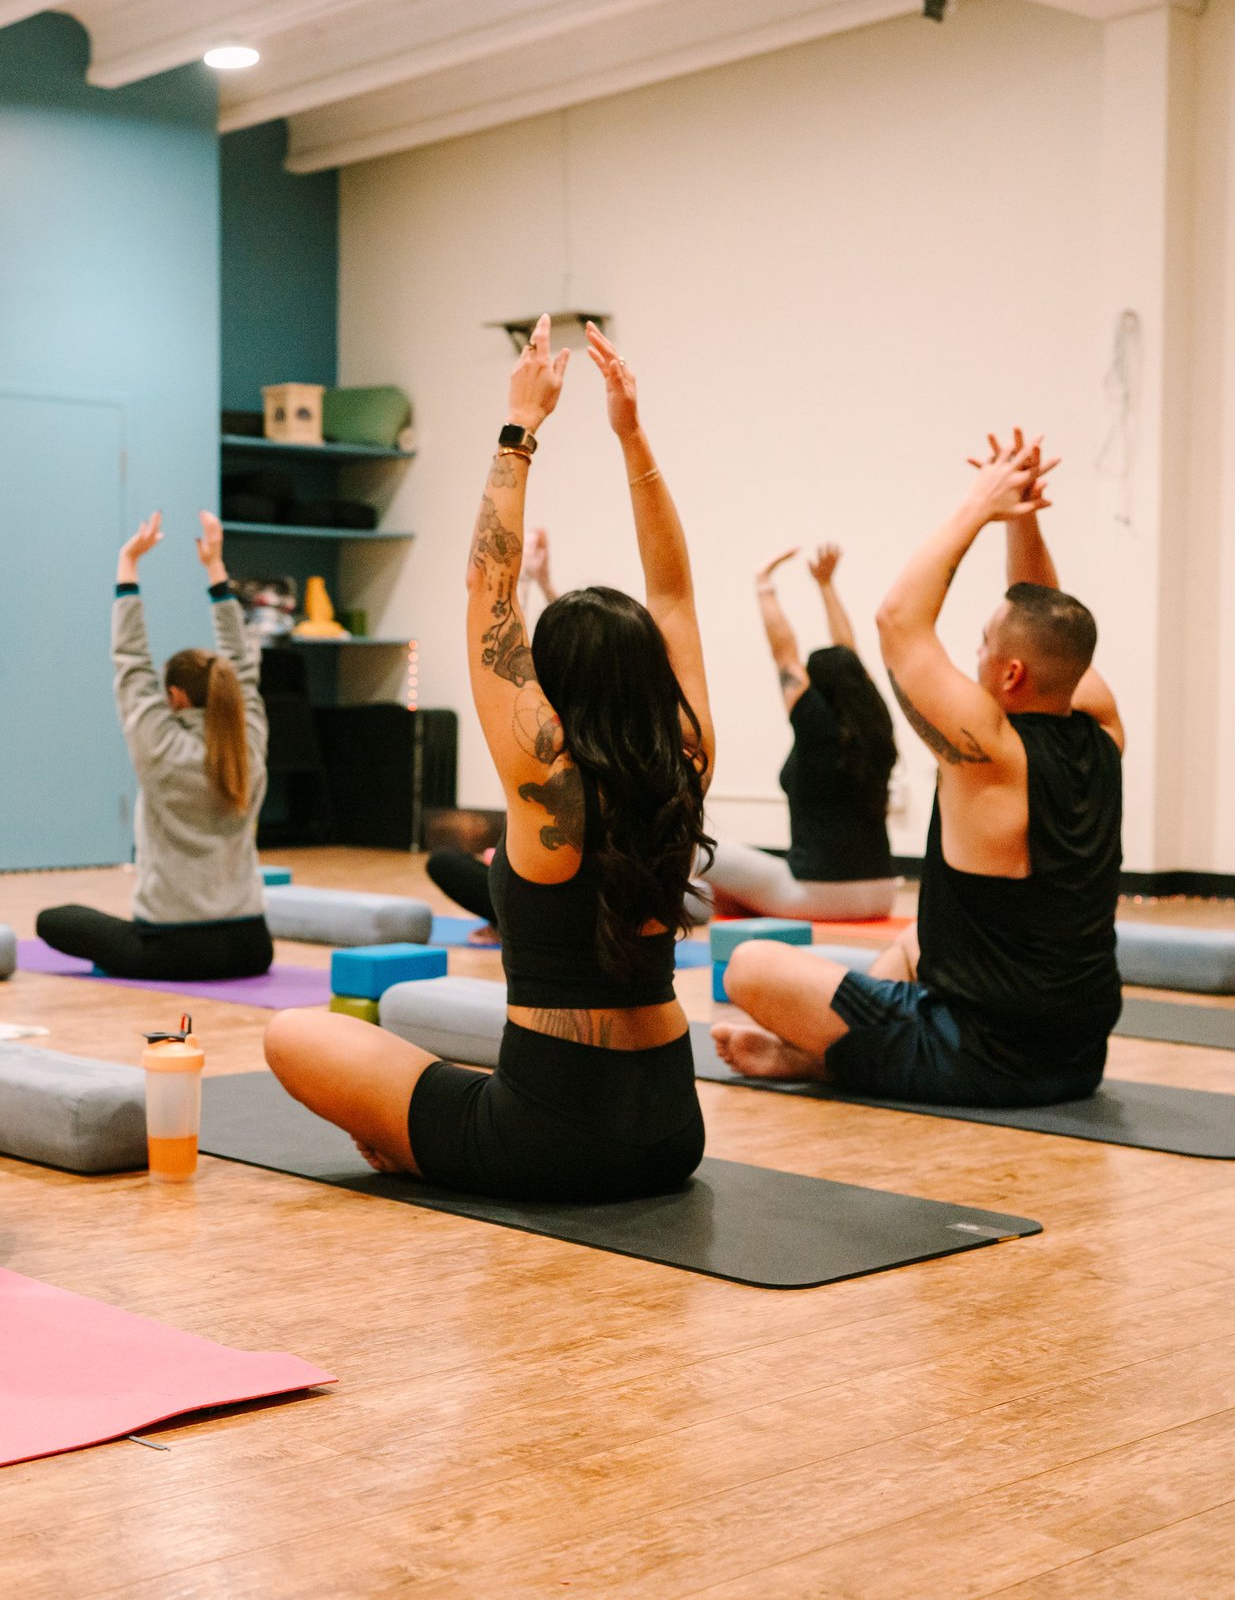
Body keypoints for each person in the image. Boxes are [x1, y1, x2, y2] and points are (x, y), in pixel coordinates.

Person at [262, 317, 713, 1202]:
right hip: (672, 1131)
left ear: (554, 685)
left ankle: (424, 1146)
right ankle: (427, 1138)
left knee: (293, 1036)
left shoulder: (549, 780)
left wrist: (520, 426)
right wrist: (631, 434)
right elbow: (674, 593)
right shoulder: (686, 754)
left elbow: (489, 587)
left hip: (545, 1143)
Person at [712, 429, 1124, 1108]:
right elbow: (1043, 615)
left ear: (1011, 672)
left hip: (979, 1059)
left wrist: (979, 504)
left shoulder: (990, 753)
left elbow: (898, 617)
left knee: (753, 967)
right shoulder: (1102, 727)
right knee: (916, 937)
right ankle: (830, 1052)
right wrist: (1021, 517)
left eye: (984, 646)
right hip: (1078, 1058)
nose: (977, 654)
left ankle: (826, 1057)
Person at [35, 510, 272, 980]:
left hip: (174, 949)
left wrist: (129, 565)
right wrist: (214, 569)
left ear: (176, 697)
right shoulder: (251, 740)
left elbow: (131, 661)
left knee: (53, 921)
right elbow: (241, 665)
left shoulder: (162, 747)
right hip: (252, 945)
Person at [701, 544, 901, 921]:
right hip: (884, 891)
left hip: (818, 895)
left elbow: (784, 654)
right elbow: (850, 657)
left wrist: (764, 586)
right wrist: (825, 585)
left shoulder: (816, 728)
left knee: (694, 851)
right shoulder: (877, 726)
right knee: (728, 893)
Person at [422, 528, 563, 939]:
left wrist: (521, 584)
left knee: (455, 863)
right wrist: (536, 583)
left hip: (549, 894)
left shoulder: (547, 737)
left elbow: (514, 649)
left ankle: (511, 918)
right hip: (539, 882)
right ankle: (507, 913)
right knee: (451, 861)